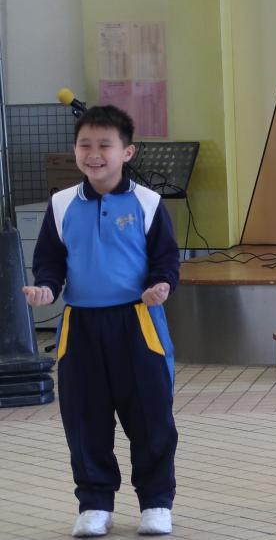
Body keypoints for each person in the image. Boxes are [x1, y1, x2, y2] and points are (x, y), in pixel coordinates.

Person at [24, 105, 180, 537]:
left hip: (137, 322)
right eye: (85, 145)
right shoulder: (60, 204)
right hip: (80, 326)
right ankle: (94, 503)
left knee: (151, 416)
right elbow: (50, 260)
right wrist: (46, 288)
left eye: (104, 145)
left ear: (127, 152)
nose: (93, 154)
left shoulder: (148, 203)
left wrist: (161, 285)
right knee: (83, 417)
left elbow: (166, 260)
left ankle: (156, 502)